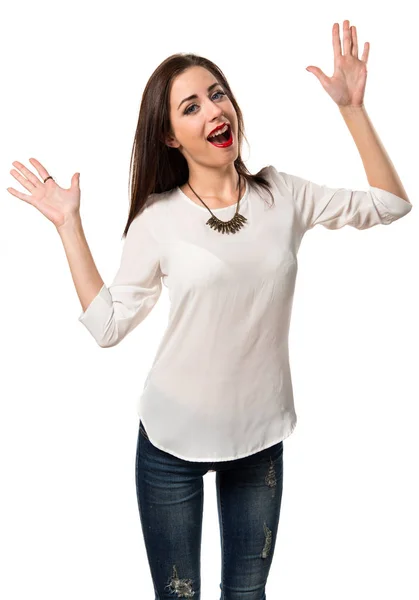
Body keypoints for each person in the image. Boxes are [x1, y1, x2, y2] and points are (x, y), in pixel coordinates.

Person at [7, 21, 412, 600]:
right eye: (190, 106)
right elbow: (107, 326)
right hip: (171, 441)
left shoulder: (284, 193)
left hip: (259, 435)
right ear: (170, 136)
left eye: (217, 94)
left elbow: (391, 204)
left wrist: (353, 109)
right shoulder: (158, 219)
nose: (212, 111)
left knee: (246, 595)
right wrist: (69, 226)